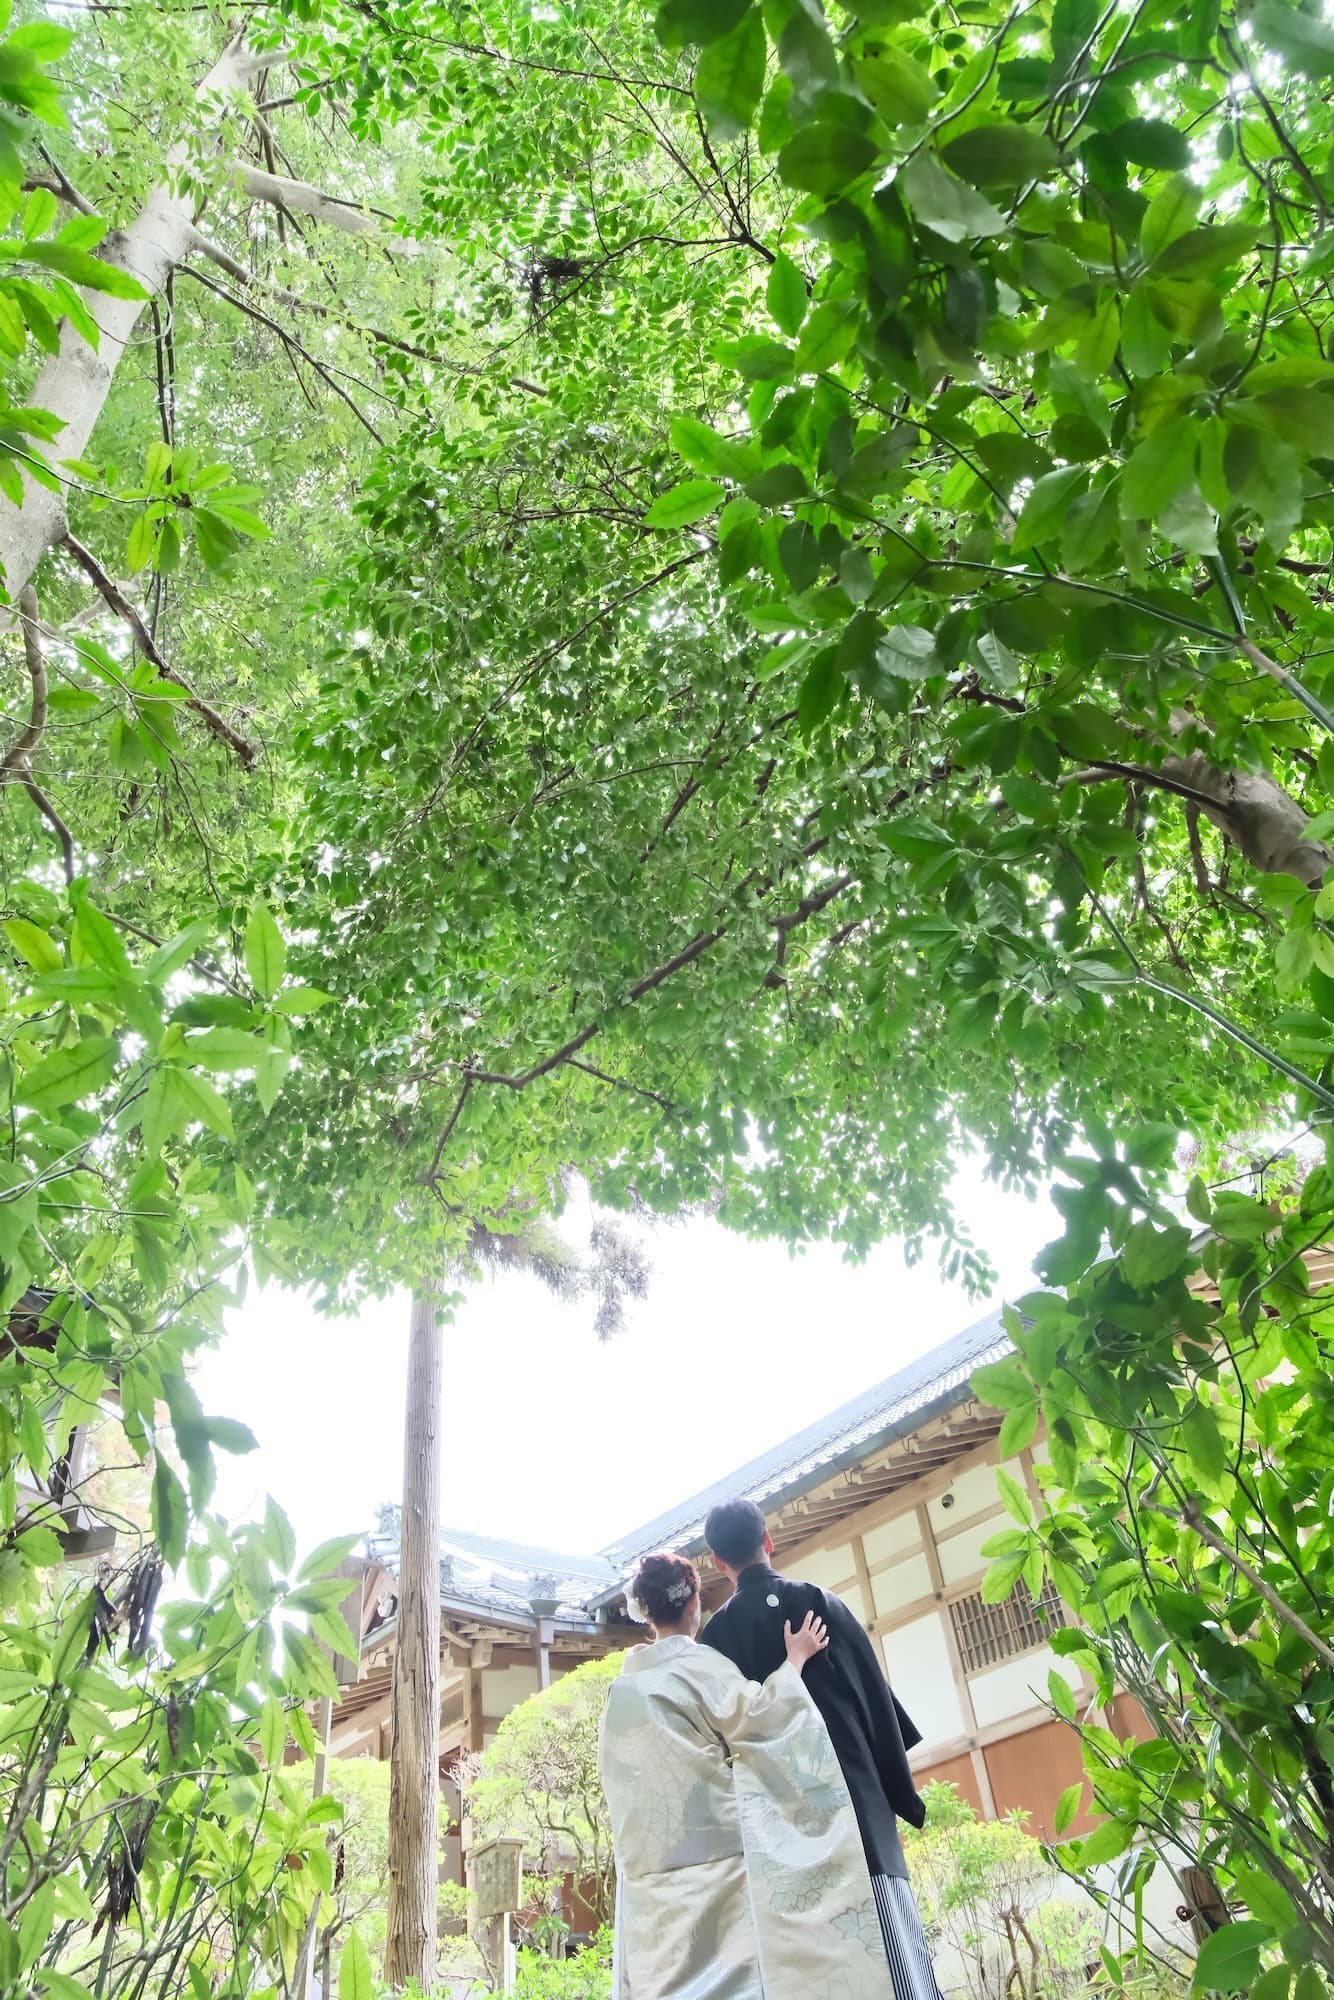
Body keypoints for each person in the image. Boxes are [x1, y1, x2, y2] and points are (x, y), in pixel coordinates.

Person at [599, 1548, 896, 2000]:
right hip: (717, 1862)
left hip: (650, 1878)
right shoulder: (695, 1665)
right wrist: (795, 1659)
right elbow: (760, 1717)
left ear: (647, 1613)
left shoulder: (622, 1690)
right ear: (694, 1604)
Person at [700, 1499, 942, 2000]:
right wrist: (893, 1791)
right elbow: (873, 1696)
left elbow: (722, 1734)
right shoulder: (817, 1601)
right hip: (855, 1805)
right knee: (894, 1954)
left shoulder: (716, 1637)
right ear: (768, 1540)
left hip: (780, 1826)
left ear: (718, 1563)